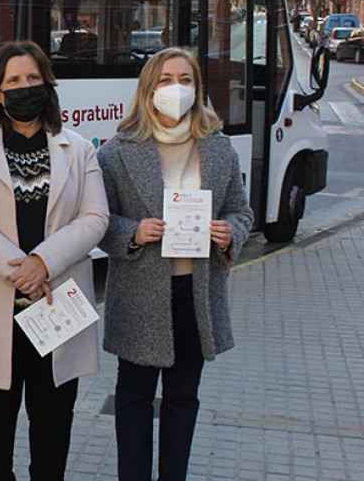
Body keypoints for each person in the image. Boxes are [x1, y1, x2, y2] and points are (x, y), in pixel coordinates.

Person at [0, 41, 109, 481]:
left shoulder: (77, 147)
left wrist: (44, 263)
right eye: (13, 80)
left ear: (47, 85)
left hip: (57, 309)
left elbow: (95, 217)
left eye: (33, 78)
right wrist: (20, 268)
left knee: (53, 431)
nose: (24, 87)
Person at [96, 47, 254, 481]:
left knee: (183, 397)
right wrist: (131, 231)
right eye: (165, 80)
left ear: (198, 88)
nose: (177, 89)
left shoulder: (218, 149)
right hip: (141, 296)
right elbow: (96, 220)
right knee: (133, 398)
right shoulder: (116, 152)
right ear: (148, 89)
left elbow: (242, 211)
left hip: (195, 295)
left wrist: (230, 232)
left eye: (186, 79)